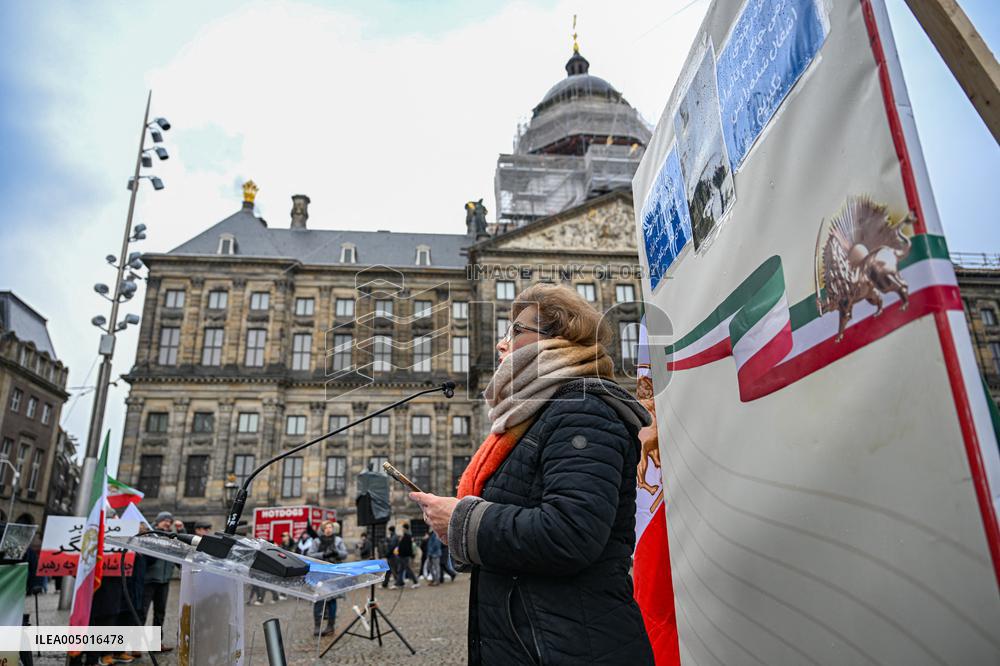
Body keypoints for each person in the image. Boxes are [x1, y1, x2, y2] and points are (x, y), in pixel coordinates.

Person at [411, 284, 655, 665]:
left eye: (515, 331)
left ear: (557, 340)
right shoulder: (534, 415)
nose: (501, 344)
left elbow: (571, 533)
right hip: (536, 641)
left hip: (575, 646)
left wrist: (462, 519)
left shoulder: (585, 409)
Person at [141, 511, 177, 652]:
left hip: (164, 580)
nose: (167, 522)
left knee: (160, 613)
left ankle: (156, 643)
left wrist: (182, 531)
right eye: (164, 520)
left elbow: (183, 551)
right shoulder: (149, 534)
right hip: (149, 579)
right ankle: (136, 644)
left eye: (169, 521)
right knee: (142, 612)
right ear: (158, 521)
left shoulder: (172, 537)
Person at [308, 520, 347, 636]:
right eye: (327, 527)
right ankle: (317, 625)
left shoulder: (338, 540)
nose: (329, 529)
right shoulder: (317, 541)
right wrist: (323, 555)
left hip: (334, 574)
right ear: (323, 529)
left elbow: (345, 554)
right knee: (319, 599)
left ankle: (330, 626)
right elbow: (310, 555)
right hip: (320, 574)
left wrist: (337, 552)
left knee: (332, 600)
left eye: (330, 527)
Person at [394, 523, 419, 589]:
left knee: (408, 569)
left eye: (403, 528)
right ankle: (399, 583)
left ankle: (416, 582)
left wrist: (410, 555)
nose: (402, 529)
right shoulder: (404, 536)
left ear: (405, 528)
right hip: (401, 556)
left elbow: (407, 547)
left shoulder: (408, 536)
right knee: (400, 570)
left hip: (405, 556)